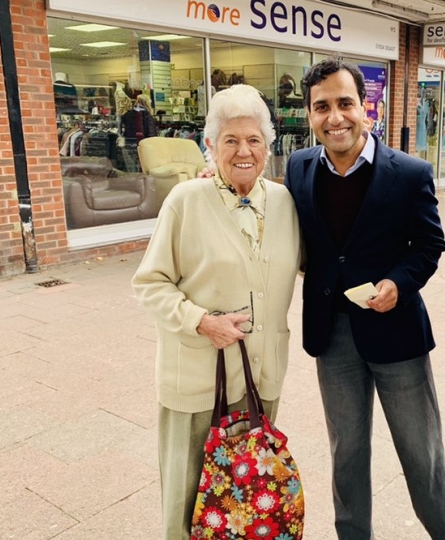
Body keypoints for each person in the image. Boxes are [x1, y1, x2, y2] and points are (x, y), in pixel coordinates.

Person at [284, 57, 445, 540]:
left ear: (366, 108)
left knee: (422, 453)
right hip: (332, 336)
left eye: (345, 103)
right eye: (322, 107)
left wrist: (398, 284)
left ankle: (444, 534)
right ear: (309, 114)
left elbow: (429, 246)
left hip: (395, 332)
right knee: (347, 453)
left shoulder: (409, 173)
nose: (335, 116)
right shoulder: (297, 168)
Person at [131, 84, 301, 540]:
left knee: (247, 495)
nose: (244, 151)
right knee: (188, 504)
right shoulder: (185, 202)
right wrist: (201, 321)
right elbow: (149, 283)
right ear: (210, 146)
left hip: (258, 377)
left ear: (269, 146)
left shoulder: (285, 203)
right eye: (230, 140)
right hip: (197, 382)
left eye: (254, 140)